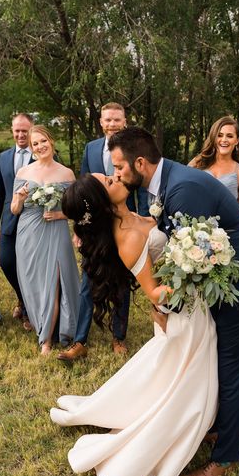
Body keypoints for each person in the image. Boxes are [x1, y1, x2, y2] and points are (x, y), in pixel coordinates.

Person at [108, 126, 239, 476]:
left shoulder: (183, 189)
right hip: (225, 284)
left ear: (140, 162)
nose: (118, 174)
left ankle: (224, 459)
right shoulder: (169, 182)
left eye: (120, 167)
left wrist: (164, 306)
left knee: (232, 371)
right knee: (220, 362)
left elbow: (192, 258)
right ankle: (218, 428)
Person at [50, 173, 218, 476]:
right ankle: (184, 427)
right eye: (109, 181)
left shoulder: (140, 215)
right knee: (187, 374)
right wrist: (195, 270)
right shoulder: (126, 236)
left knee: (178, 372)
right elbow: (154, 293)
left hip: (188, 302)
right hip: (180, 308)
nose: (116, 177)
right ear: (102, 201)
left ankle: (204, 423)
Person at [57, 102, 149, 362]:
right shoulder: (91, 148)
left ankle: (118, 337)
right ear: (100, 122)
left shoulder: (134, 150)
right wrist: (81, 229)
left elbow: (140, 187)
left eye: (116, 119)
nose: (112, 124)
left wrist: (142, 217)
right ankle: (80, 341)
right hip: (96, 226)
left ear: (125, 121)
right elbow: (83, 187)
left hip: (123, 220)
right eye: (107, 120)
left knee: (120, 280)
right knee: (89, 280)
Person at [11, 125, 80, 355]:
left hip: (56, 230)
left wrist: (60, 214)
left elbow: (76, 209)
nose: (40, 146)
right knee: (35, 282)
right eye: (35, 144)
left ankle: (47, 339)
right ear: (31, 149)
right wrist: (20, 198)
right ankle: (42, 323)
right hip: (29, 232)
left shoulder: (67, 174)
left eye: (43, 141)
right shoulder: (23, 173)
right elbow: (14, 209)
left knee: (55, 280)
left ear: (51, 141)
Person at [0, 113, 34, 331]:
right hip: (8, 220)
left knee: (28, 266)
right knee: (7, 262)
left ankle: (28, 310)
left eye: (25, 130)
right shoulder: (4, 157)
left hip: (34, 222)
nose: (20, 134)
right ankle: (22, 297)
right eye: (17, 130)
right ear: (12, 130)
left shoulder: (41, 153)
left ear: (31, 130)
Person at [189, 116, 239, 214]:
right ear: (214, 137)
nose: (224, 140)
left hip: (227, 228)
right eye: (220, 135)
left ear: (237, 140)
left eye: (230, 136)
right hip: (195, 225)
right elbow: (184, 191)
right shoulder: (197, 163)